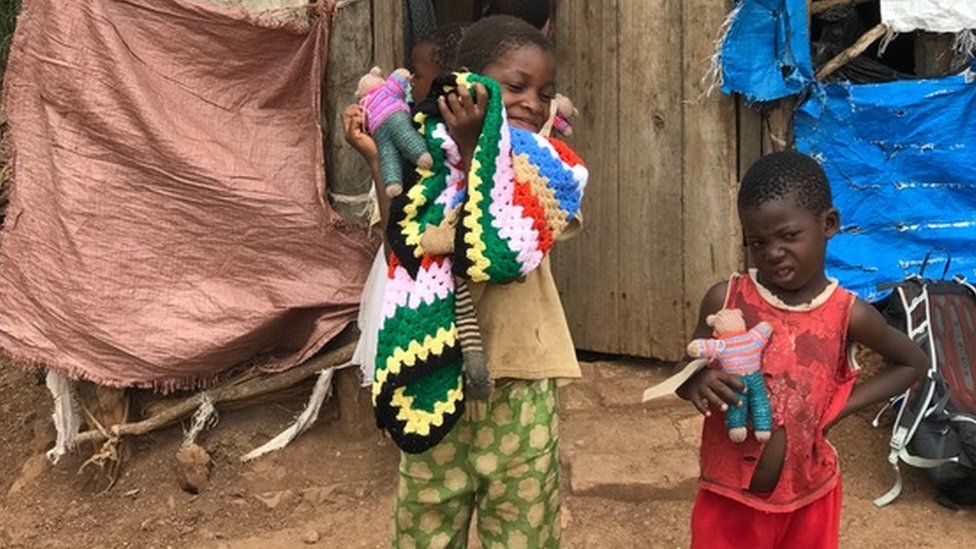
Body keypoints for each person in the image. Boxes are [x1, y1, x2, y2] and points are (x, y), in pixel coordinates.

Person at [676, 151, 928, 549]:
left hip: (809, 500)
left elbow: (912, 362)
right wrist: (698, 380)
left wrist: (836, 408)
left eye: (788, 236)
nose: (772, 252)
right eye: (757, 242)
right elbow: (685, 370)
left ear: (828, 224)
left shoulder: (848, 314)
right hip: (727, 499)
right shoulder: (724, 299)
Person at [387, 15, 574, 548]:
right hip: (431, 377)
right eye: (516, 87)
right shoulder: (422, 159)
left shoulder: (549, 169)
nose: (534, 103)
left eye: (545, 92)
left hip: (521, 382)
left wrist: (477, 150)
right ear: (465, 85)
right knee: (425, 525)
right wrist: (381, 166)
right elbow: (397, 249)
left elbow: (495, 249)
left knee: (523, 531)